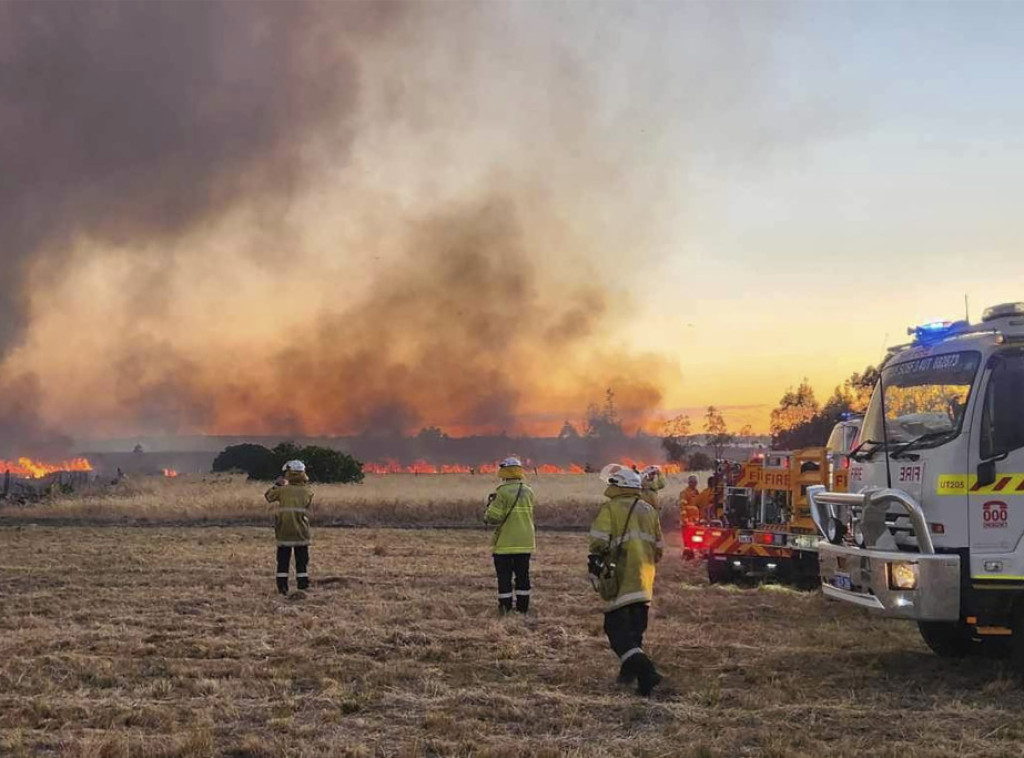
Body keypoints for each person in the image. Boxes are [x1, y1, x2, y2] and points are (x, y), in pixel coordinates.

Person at [588, 464, 665, 696]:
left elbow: (599, 542)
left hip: (621, 578)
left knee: (617, 631)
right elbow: (659, 549)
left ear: (617, 486)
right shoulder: (649, 510)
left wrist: (596, 561)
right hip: (644, 581)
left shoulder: (610, 509)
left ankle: (647, 672)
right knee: (634, 632)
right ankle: (633, 678)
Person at [483, 456, 536, 614]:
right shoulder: (529, 491)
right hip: (525, 541)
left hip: (506, 543)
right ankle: (523, 608)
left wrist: (488, 509)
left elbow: (494, 517)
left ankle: (505, 608)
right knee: (523, 576)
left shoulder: (502, 492)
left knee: (504, 578)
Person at [265, 459, 314, 596]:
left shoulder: (282, 491)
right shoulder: (308, 491)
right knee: (302, 562)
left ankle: (282, 588)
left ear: (289, 473)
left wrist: (277, 484)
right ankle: (303, 587)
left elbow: (268, 497)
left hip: (284, 531)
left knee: (282, 562)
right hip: (301, 532)